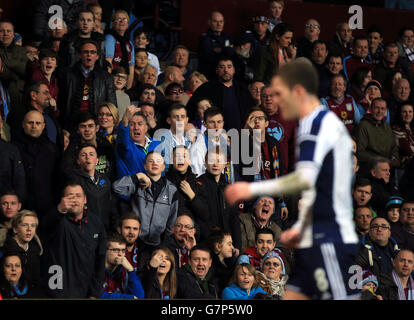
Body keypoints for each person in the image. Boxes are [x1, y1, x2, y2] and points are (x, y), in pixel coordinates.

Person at [225, 60, 360, 300]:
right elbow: (237, 167)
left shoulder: (277, 143)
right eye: (253, 119)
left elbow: (285, 171)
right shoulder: (243, 142)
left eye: (261, 120)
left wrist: (283, 201)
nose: (257, 123)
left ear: (268, 123)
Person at [40, 181, 107, 298]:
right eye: (70, 196)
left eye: (78, 196)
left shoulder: (96, 222)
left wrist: (94, 293)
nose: (74, 199)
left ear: (85, 199)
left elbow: (100, 259)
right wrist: (59, 209)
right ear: (63, 200)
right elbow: (45, 227)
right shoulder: (57, 220)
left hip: (86, 291)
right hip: (58, 292)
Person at [113, 151, 178, 249]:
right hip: (135, 241)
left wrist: (165, 242)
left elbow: (172, 220)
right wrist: (138, 176)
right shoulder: (137, 183)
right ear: (145, 166)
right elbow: (116, 188)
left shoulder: (172, 189)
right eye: (150, 161)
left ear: (163, 167)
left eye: (158, 161)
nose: (154, 163)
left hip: (158, 243)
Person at [58, 39, 117, 132]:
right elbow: (61, 103)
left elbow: (112, 105)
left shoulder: (106, 77)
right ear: (79, 55)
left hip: (97, 124)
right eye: (85, 52)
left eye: (92, 52)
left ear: (97, 56)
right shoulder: (67, 75)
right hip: (71, 124)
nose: (89, 55)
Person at [12, 110, 59, 220]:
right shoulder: (13, 148)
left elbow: (57, 178)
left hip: (47, 207)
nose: (34, 126)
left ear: (43, 126)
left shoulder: (52, 149)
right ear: (23, 124)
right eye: (30, 123)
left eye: (38, 123)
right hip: (21, 208)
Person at [190, 149, 241, 247]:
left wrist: (237, 245)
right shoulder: (197, 184)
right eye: (211, 160)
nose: (215, 164)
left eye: (219, 161)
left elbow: (234, 218)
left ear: (225, 164)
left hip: (226, 244)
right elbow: (198, 217)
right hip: (205, 242)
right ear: (205, 163)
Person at [65, 143, 117, 233]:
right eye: (83, 155)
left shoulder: (105, 179)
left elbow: (112, 205)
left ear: (97, 160)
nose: (88, 157)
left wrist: (115, 226)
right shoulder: (73, 181)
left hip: (105, 230)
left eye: (91, 154)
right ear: (78, 161)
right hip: (84, 231)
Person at [61, 111, 116, 182]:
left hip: (106, 189)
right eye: (83, 126)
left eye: (90, 126)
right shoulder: (72, 151)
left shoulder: (107, 147)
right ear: (78, 129)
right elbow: (67, 175)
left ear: (97, 128)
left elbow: (114, 172)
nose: (87, 129)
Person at [0, 210, 43, 290]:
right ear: (15, 229)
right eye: (24, 225)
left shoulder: (36, 250)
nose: (29, 229)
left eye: (33, 226)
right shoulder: (4, 250)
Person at [354, 98, 399, 172]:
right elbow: (360, 152)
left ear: (385, 111)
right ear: (370, 109)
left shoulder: (387, 127)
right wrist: (381, 160)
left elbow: (393, 147)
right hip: (371, 168)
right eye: (376, 108)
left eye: (382, 109)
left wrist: (395, 158)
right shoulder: (363, 126)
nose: (379, 111)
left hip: (388, 167)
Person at [260, 85, 297, 174]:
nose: (268, 99)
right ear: (260, 98)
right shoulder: (254, 116)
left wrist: (293, 168)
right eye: (265, 96)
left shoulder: (288, 116)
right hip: (260, 173)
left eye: (272, 96)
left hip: (284, 171)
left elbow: (294, 146)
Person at [115, 106, 160, 179]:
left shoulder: (157, 144)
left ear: (146, 128)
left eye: (140, 124)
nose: (136, 127)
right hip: (131, 189)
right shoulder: (124, 145)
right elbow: (122, 135)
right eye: (132, 124)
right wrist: (125, 120)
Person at [101, 233, 145, 299]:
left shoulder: (124, 272)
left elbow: (140, 296)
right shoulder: (94, 270)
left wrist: (131, 270)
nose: (120, 254)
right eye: (115, 250)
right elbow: (94, 295)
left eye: (123, 250)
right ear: (104, 250)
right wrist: (126, 297)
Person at [0, 20, 28, 112]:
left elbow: (25, 71)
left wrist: (5, 65)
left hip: (18, 97)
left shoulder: (22, 51)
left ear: (13, 34)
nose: (5, 34)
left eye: (9, 31)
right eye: (1, 31)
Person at [197, 11, 235, 79]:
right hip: (210, 74)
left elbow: (232, 54)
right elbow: (209, 57)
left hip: (226, 74)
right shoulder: (205, 38)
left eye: (221, 21)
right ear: (209, 22)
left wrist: (220, 50)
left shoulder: (227, 37)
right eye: (215, 21)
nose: (219, 24)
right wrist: (226, 50)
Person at [105, 10, 134, 89]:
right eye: (118, 19)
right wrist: (108, 87)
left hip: (123, 82)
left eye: (124, 19)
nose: (121, 21)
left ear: (127, 24)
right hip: (112, 82)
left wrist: (128, 89)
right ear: (113, 23)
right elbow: (108, 64)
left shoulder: (129, 44)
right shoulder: (110, 38)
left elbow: (131, 68)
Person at [165, 146, 198, 216]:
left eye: (184, 156)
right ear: (171, 160)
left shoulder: (197, 182)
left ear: (190, 161)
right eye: (177, 156)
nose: (180, 159)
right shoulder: (164, 182)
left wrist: (192, 195)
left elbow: (204, 213)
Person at [207, 226, 237, 295]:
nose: (232, 247)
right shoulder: (211, 268)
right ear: (218, 246)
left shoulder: (230, 264)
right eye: (229, 244)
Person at [0, 137, 26, 205]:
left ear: (1, 125)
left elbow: (19, 179)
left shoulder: (10, 149)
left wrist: (18, 203)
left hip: (6, 204)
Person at [392, 103, 414, 168]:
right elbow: (408, 150)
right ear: (400, 114)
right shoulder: (396, 129)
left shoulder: (412, 128)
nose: (408, 114)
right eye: (404, 112)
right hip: (406, 166)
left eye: (410, 112)